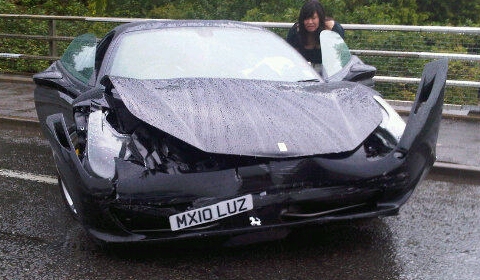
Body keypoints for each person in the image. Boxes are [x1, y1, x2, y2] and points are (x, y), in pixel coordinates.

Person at [286, 0, 345, 68]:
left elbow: (339, 57)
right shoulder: (295, 31)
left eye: (313, 18)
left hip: (329, 69)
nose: (310, 22)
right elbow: (291, 56)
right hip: (304, 70)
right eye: (306, 19)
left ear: (320, 18)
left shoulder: (334, 30)